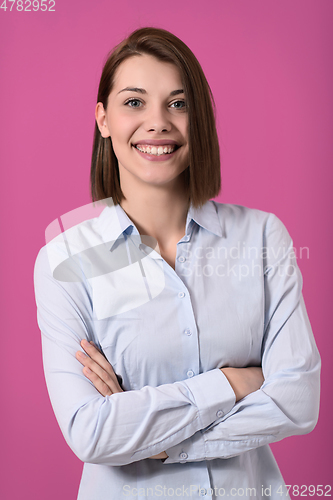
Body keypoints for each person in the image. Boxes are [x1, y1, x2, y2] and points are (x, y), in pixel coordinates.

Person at [34, 27, 321, 500]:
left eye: (178, 103)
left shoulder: (263, 237)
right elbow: (91, 432)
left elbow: (297, 401)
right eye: (134, 102)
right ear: (103, 119)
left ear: (199, 119)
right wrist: (234, 382)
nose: (157, 122)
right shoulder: (64, 261)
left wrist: (162, 441)